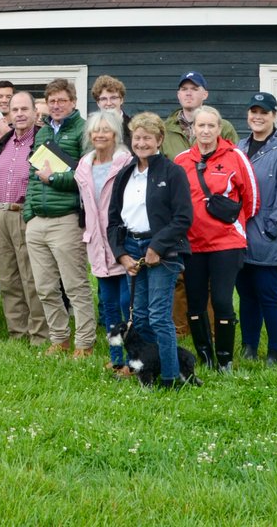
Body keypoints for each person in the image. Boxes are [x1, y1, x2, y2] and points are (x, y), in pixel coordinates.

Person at [108, 112, 194, 389]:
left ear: (159, 140)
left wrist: (158, 246)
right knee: (141, 317)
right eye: (137, 137)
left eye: (148, 137)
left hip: (163, 252)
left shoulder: (173, 172)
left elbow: (183, 217)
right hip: (132, 247)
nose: (142, 143)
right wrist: (121, 253)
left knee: (158, 316)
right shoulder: (125, 174)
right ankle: (148, 371)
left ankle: (170, 378)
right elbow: (112, 219)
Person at [174, 105, 259, 372]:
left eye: (211, 125)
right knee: (196, 301)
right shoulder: (181, 160)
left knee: (222, 300)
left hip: (226, 243)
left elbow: (252, 200)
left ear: (219, 128)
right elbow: (175, 201)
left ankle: (224, 359)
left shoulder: (236, 156)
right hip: (193, 243)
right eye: (201, 126)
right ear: (194, 129)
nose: (206, 130)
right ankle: (204, 356)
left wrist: (232, 222)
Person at [24, 78, 94, 357]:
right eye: (51, 101)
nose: (56, 105)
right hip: (37, 220)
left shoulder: (83, 130)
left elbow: (87, 176)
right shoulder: (41, 133)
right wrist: (29, 213)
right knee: (45, 287)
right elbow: (32, 176)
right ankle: (59, 338)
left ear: (73, 102)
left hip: (66, 218)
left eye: (61, 100)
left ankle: (85, 342)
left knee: (75, 286)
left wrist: (53, 178)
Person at [237, 92, 277, 366]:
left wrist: (270, 231)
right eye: (253, 111)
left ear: (274, 116)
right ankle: (249, 346)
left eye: (264, 112)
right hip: (240, 239)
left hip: (269, 240)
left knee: (269, 295)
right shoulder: (239, 147)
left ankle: (276, 352)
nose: (258, 117)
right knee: (247, 295)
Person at [0, 91, 46, 344]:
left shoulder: (42, 140)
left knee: (32, 278)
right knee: (8, 278)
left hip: (26, 215)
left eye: (24, 109)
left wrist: (34, 212)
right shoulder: (2, 144)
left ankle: (39, 335)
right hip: (1, 215)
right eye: (14, 110)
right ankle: (17, 332)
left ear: (35, 112)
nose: (19, 114)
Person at [73, 110, 133, 371]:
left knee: (127, 304)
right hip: (97, 244)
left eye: (105, 130)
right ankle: (117, 357)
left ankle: (135, 358)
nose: (100, 134)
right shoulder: (84, 165)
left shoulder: (127, 163)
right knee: (108, 305)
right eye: (95, 130)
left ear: (115, 134)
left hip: (123, 243)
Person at [163, 71, 238, 159]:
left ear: (205, 95)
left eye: (194, 89)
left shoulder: (224, 127)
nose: (188, 93)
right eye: (184, 89)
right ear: (178, 95)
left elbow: (236, 159)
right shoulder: (165, 129)